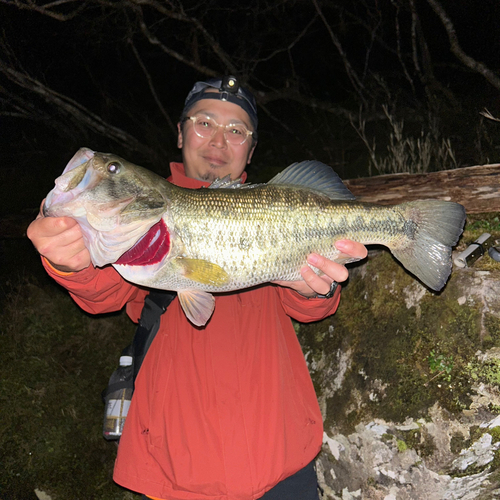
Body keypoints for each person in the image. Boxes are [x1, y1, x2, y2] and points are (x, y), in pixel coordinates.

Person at [27, 76, 368, 500]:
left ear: (251, 147)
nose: (218, 141)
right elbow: (102, 291)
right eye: (204, 122)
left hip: (281, 461)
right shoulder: (138, 223)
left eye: (236, 130)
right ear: (181, 132)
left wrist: (315, 289)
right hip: (173, 470)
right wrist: (68, 261)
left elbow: (311, 308)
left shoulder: (274, 209)